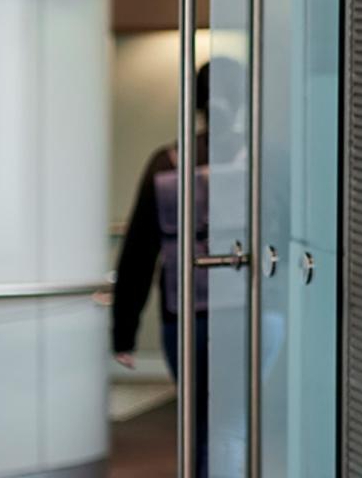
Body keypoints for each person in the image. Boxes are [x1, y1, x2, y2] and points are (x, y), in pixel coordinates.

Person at [112, 58, 245, 471]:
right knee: (234, 421)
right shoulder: (258, 159)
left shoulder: (165, 162)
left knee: (199, 421)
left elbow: (137, 253)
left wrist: (124, 332)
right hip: (247, 311)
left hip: (181, 314)